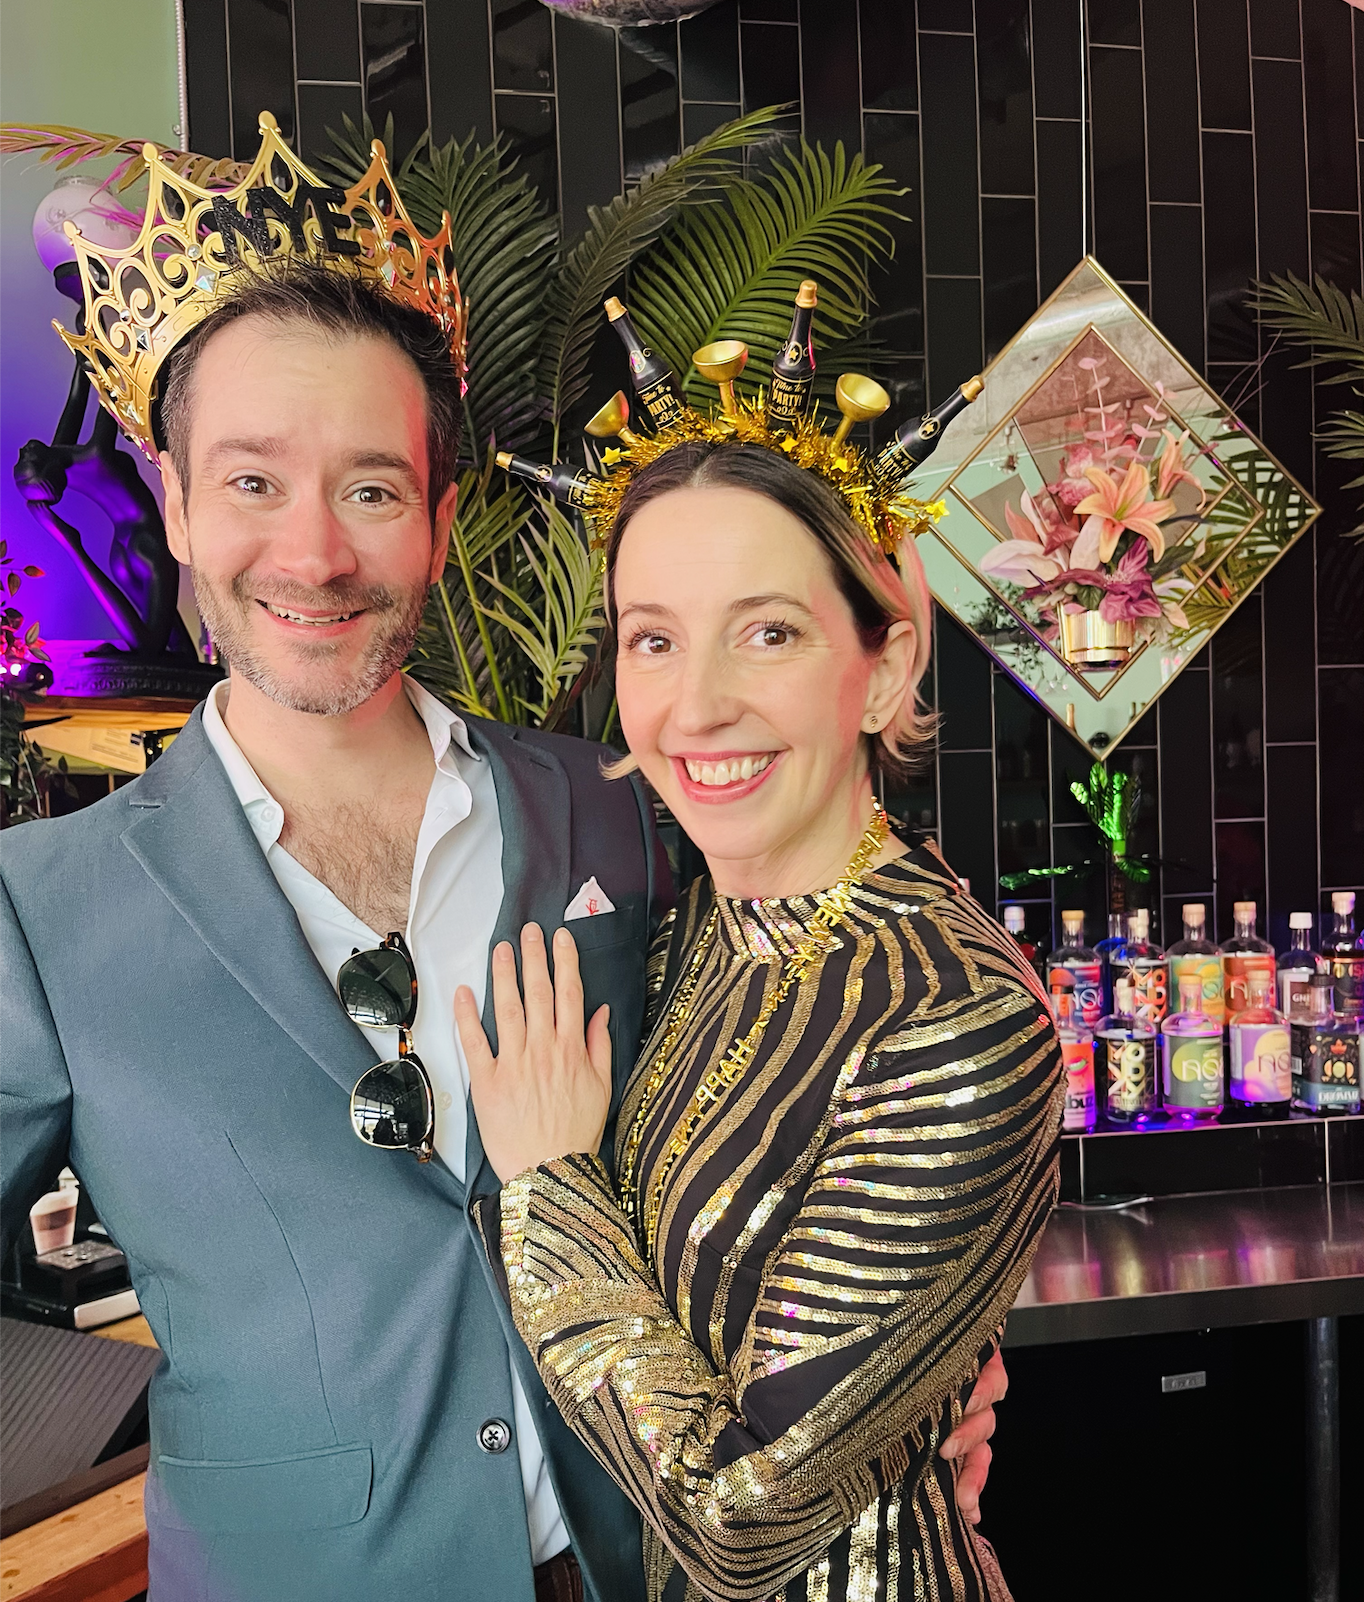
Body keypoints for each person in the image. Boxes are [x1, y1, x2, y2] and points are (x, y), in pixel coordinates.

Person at [1, 124, 1001, 1601]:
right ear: (178, 509)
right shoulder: (41, 906)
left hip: (641, 1568)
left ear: (439, 516)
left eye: (370, 489)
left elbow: (804, 1102)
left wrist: (922, 1381)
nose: (314, 556)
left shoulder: (616, 811)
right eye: (254, 482)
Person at [458, 441, 1063, 1602]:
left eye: (768, 632)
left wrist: (548, 1189)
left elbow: (740, 1522)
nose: (696, 706)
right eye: (653, 640)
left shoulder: (955, 1014)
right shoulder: (682, 928)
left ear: (883, 670)